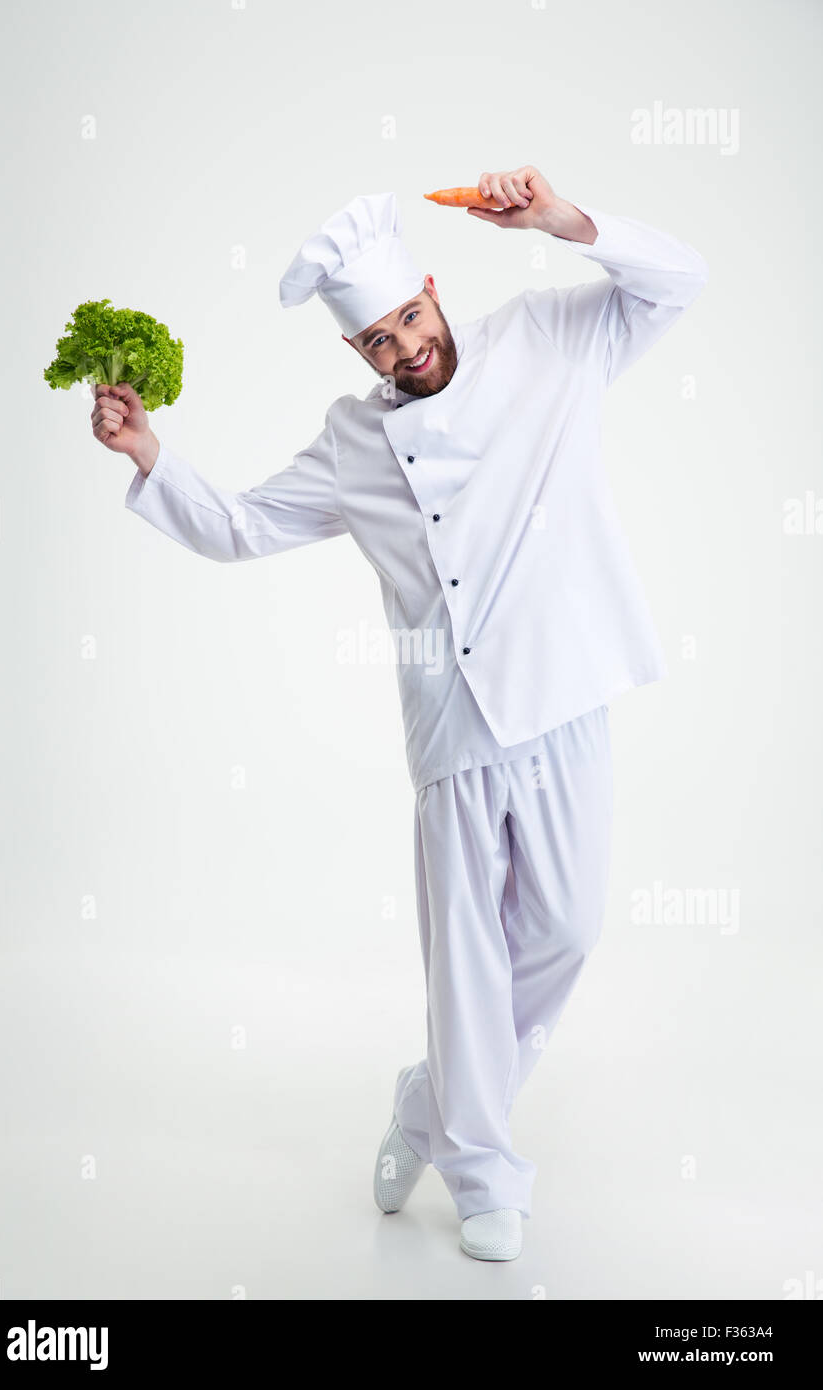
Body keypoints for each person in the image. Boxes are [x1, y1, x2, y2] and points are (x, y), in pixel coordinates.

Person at [90, 166, 707, 1262]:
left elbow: (675, 281)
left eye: (410, 320)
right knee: (466, 961)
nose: (406, 348)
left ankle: (428, 1100)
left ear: (432, 288)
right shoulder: (353, 445)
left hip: (564, 699)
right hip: (451, 727)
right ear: (353, 352)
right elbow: (239, 528)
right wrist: (150, 455)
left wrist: (564, 221)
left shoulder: (547, 339)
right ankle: (479, 1170)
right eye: (377, 340)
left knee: (563, 933)